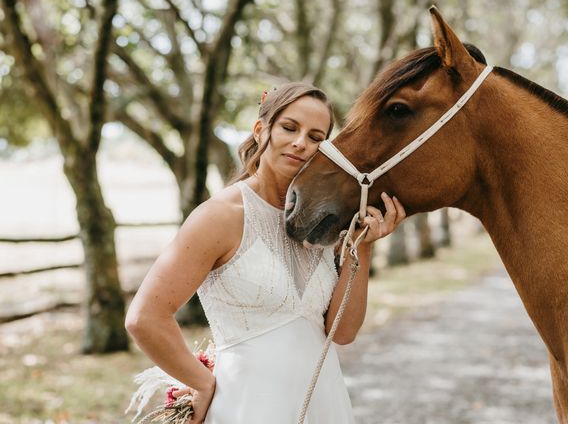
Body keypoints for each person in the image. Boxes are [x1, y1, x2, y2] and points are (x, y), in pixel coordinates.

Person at [125, 82, 407, 423]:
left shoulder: (322, 224)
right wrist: (202, 384)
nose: (301, 143)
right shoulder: (220, 216)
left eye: (316, 137)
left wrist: (362, 245)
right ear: (262, 130)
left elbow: (343, 332)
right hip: (245, 406)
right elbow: (145, 318)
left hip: (323, 403)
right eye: (290, 128)